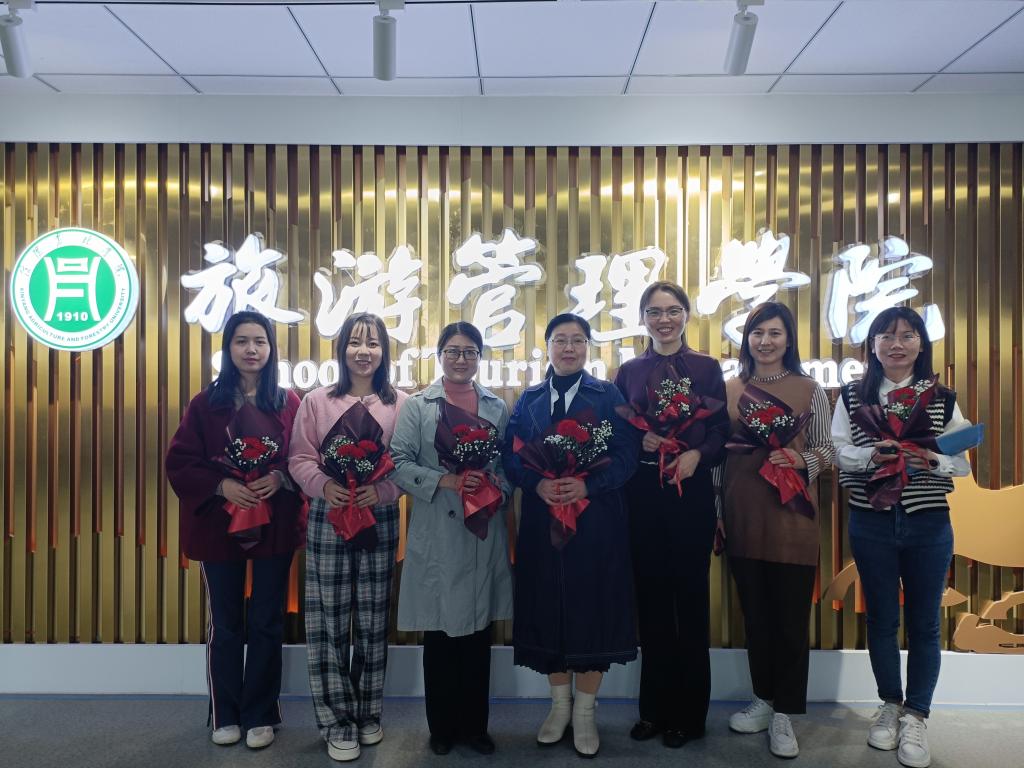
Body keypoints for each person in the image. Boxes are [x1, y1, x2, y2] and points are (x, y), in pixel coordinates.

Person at [832, 306, 970, 768]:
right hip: (870, 518)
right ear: (872, 345)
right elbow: (838, 450)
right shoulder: (853, 396)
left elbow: (962, 461)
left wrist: (932, 460)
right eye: (886, 336)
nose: (896, 344)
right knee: (881, 620)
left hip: (928, 521)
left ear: (920, 345)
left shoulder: (942, 398)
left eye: (907, 336)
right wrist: (872, 455)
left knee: (926, 623)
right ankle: (890, 704)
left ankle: (917, 715)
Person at [166, 310, 304, 750]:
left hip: (274, 524)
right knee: (225, 623)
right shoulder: (205, 404)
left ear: (271, 349)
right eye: (242, 341)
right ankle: (224, 713)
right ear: (228, 349)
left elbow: (305, 458)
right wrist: (222, 485)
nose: (251, 349)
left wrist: (280, 477)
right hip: (218, 525)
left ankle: (261, 713)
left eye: (260, 341)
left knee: (266, 620)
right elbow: (180, 462)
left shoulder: (288, 402)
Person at [504, 313, 640, 758]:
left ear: (587, 348)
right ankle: (559, 706)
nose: (568, 348)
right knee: (548, 606)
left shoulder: (608, 395)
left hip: (596, 522)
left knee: (591, 607)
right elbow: (511, 456)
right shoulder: (529, 399)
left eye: (577, 340)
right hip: (542, 522)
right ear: (546, 347)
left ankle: (585, 711)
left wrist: (588, 486)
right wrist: (535, 483)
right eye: (560, 340)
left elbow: (626, 455)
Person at [612, 281, 729, 748]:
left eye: (673, 310)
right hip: (644, 494)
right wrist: (638, 439)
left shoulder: (706, 367)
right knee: (653, 602)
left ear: (686, 315)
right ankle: (654, 710)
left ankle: (690, 715)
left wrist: (698, 455)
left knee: (690, 603)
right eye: (655, 312)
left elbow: (720, 432)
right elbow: (616, 433)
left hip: (690, 491)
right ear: (643, 318)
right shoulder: (629, 371)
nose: (665, 319)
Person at [716, 301, 835, 759]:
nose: (765, 341)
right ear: (746, 340)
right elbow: (718, 458)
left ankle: (786, 712)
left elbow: (827, 449)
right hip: (743, 515)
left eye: (774, 333)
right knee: (756, 618)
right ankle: (763, 699)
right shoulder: (730, 389)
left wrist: (800, 459)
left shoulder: (810, 389)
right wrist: (718, 511)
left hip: (792, 521)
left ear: (789, 340)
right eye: (757, 333)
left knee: (789, 621)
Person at [288, 312, 408, 763]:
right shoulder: (317, 401)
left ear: (384, 351)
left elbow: (408, 464)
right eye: (355, 342)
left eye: (372, 343)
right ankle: (337, 719)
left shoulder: (401, 404)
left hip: (378, 515)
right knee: (329, 619)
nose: (364, 351)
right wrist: (324, 486)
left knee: (374, 618)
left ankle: (368, 711)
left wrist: (384, 490)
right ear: (341, 350)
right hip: (329, 514)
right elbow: (299, 458)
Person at [389, 321, 513, 756]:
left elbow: (509, 466)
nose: (462, 359)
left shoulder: (497, 406)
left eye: (470, 352)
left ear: (480, 357)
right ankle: (441, 728)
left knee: (478, 635)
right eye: (453, 351)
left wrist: (494, 487)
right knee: (440, 636)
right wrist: (445, 481)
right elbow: (397, 462)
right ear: (440, 355)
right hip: (438, 529)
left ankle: (475, 727)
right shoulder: (418, 405)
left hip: (482, 529)